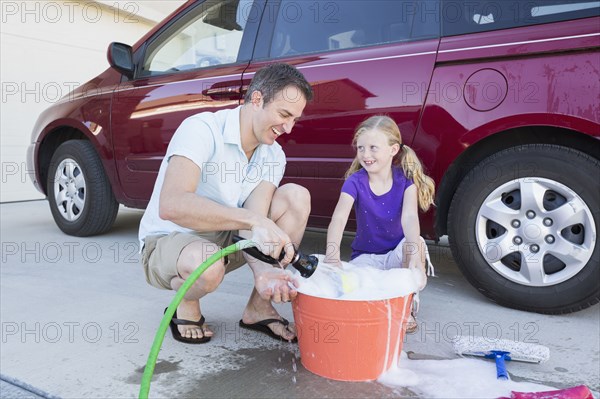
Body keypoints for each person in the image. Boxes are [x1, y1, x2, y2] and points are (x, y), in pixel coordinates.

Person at [138, 63, 313, 344]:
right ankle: (186, 304)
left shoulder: (273, 154)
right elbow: (172, 204)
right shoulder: (202, 129)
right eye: (283, 114)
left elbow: (253, 221)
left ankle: (258, 308)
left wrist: (265, 271)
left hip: (223, 238)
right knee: (206, 263)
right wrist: (255, 222)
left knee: (296, 197)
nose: (288, 128)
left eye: (295, 118)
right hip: (168, 239)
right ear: (257, 99)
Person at [324, 115, 435, 333]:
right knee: (355, 296)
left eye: (373, 148)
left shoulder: (405, 181)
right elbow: (339, 218)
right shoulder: (355, 181)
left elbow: (410, 218)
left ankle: (406, 304)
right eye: (361, 148)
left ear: (393, 150)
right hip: (366, 258)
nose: (366, 155)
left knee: (416, 242)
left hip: (396, 255)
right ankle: (383, 300)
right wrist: (332, 254)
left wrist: (413, 254)